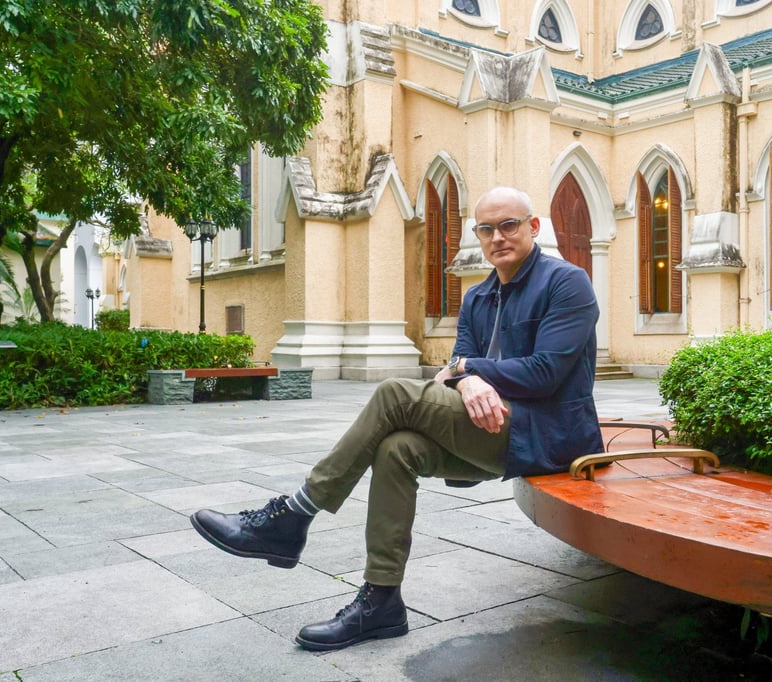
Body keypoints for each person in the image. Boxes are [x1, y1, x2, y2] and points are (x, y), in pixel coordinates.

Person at [190, 185, 604, 651]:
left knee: (393, 394)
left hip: (550, 438)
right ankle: (382, 601)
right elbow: (455, 366)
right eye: (486, 229)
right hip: (492, 430)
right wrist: (465, 379)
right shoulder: (478, 297)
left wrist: (467, 370)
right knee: (396, 449)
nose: (497, 237)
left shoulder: (567, 282)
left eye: (509, 225)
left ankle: (292, 517)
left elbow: (544, 375)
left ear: (533, 227)